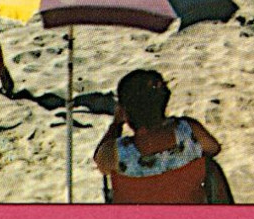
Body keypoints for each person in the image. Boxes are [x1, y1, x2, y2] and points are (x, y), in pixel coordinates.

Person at [93, 69, 225, 204]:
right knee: (210, 167)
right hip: (187, 218)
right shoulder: (187, 131)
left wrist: (116, 124)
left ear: (124, 112)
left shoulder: (119, 153)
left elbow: (101, 163)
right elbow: (213, 149)